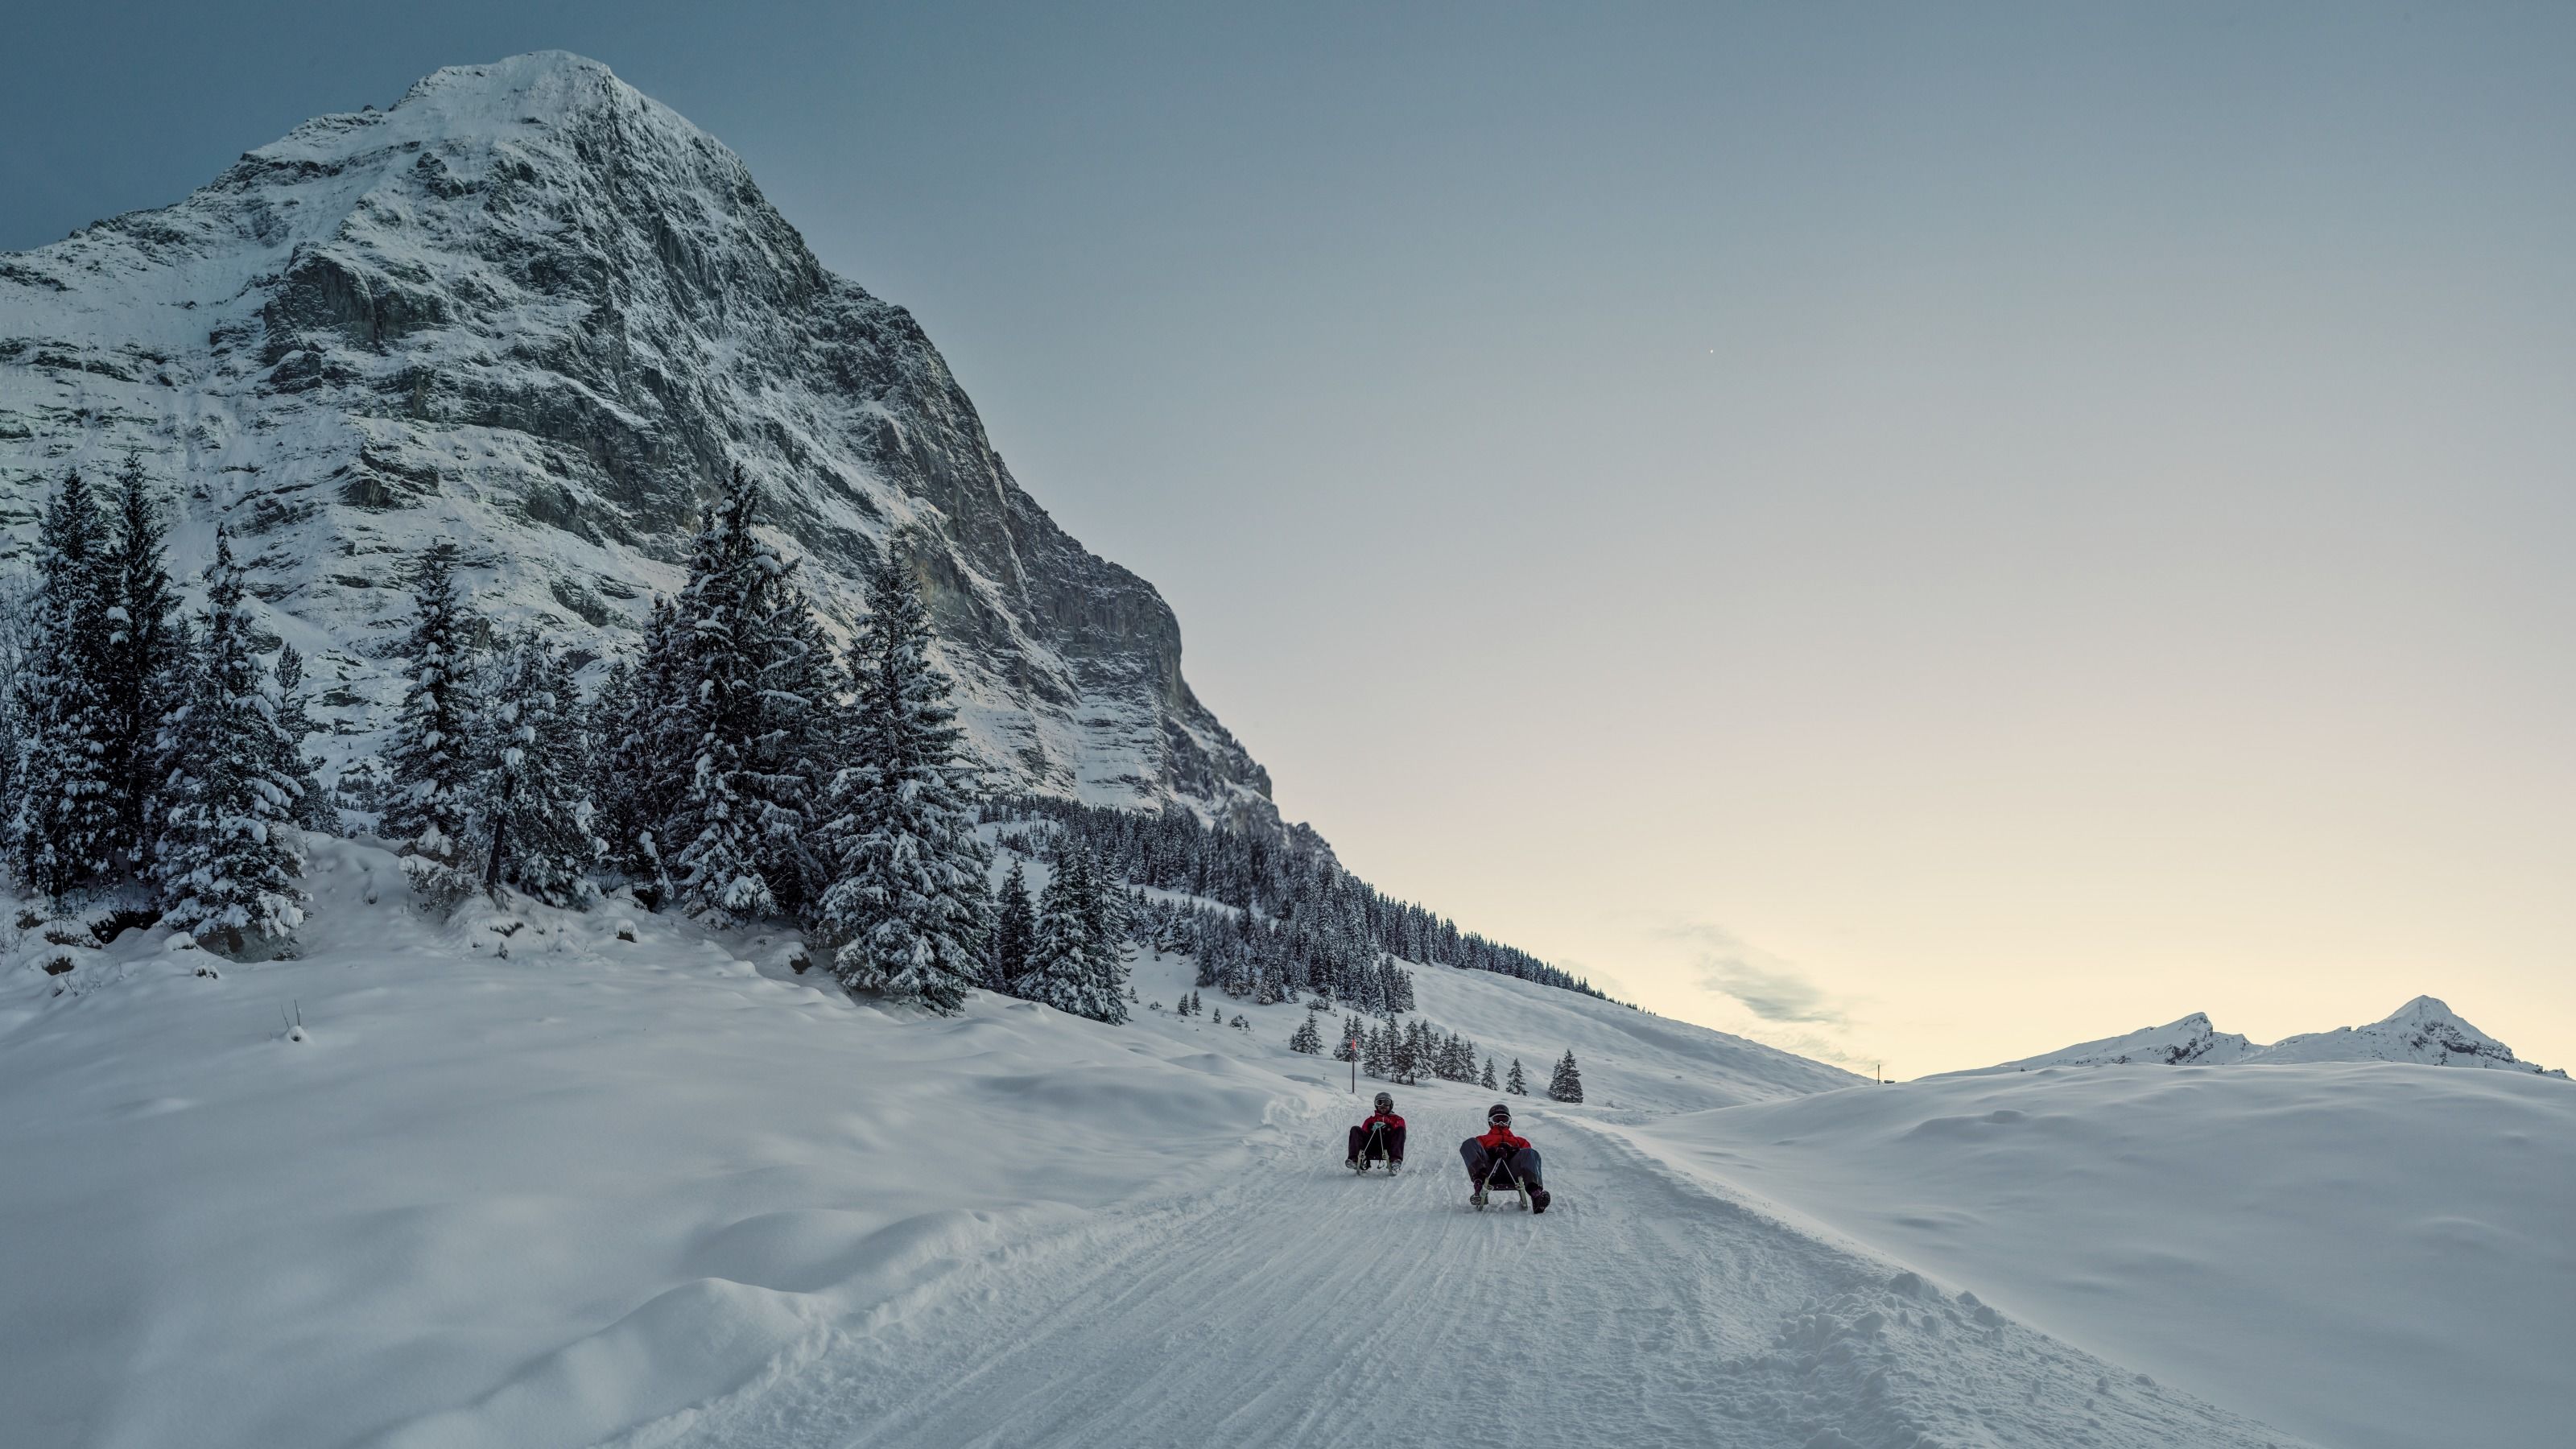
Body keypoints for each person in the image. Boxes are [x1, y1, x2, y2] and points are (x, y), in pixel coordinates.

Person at [1460, 1101, 1550, 1211]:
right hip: (1489, 1171)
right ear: (1491, 1122)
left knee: (1530, 1152)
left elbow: (1528, 1158)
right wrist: (1491, 1151)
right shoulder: (1482, 1139)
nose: (1501, 1123)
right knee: (1469, 1143)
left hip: (1513, 1171)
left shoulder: (1520, 1141)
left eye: (1504, 1120)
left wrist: (1513, 1150)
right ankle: (1478, 1182)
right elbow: (1476, 1152)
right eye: (1497, 1120)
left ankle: (1536, 1195)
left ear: (1509, 1122)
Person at [1348, 1091, 1406, 1170]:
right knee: (1355, 1129)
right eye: (1380, 1103)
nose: (1383, 1106)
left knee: (1401, 1129)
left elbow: (1400, 1134)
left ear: (1391, 1104)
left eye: (1386, 1103)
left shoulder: (1398, 1119)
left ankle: (1395, 1161)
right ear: (1376, 1105)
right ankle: (1354, 1160)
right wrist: (1371, 1129)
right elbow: (1363, 1134)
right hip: (1371, 1145)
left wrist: (1388, 1128)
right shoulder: (1370, 1120)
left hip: (1389, 1146)